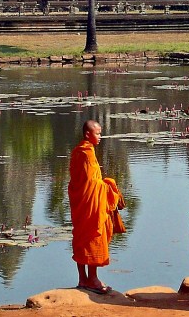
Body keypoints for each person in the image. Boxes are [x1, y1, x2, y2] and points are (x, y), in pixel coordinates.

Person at [68, 120, 124, 294]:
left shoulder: (78, 151)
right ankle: (92, 279)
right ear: (87, 134)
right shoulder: (86, 154)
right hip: (90, 205)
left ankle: (82, 279)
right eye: (98, 133)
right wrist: (109, 185)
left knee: (81, 237)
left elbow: (78, 182)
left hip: (81, 203)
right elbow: (92, 183)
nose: (100, 136)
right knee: (93, 235)